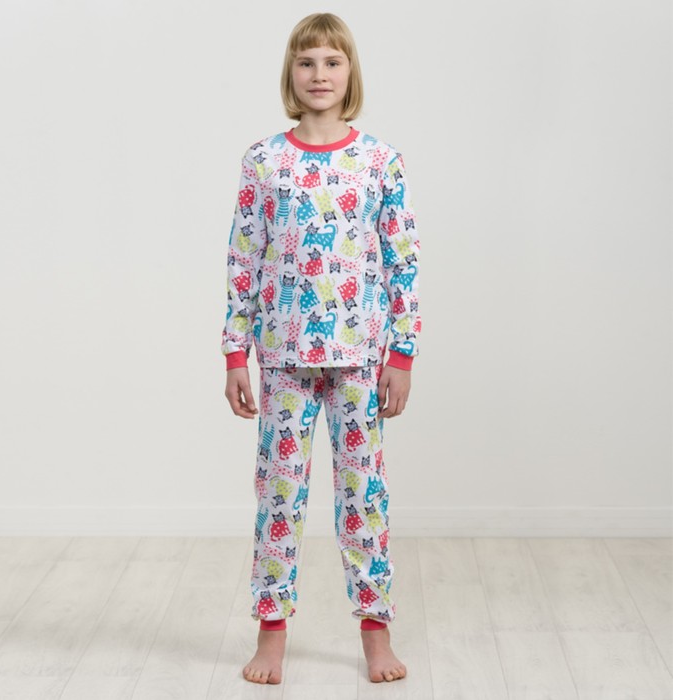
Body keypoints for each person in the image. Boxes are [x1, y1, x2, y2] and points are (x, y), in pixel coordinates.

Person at [220, 12, 421, 685]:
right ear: (291, 72)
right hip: (283, 360)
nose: (319, 75)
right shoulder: (264, 161)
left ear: (350, 72)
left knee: (364, 497)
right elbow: (243, 259)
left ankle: (376, 633)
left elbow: (402, 261)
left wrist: (401, 355)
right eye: (307, 62)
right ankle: (271, 634)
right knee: (279, 498)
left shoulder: (380, 162)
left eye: (332, 62)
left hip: (360, 359)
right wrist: (234, 353)